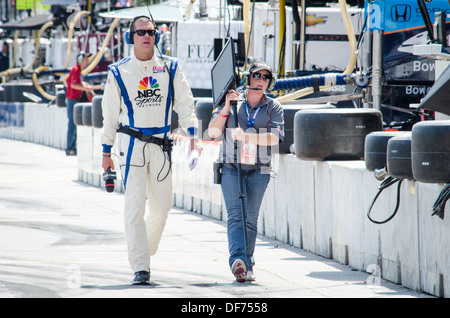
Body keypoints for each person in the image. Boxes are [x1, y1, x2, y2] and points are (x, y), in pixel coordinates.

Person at [100, 15, 202, 285]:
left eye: (151, 32)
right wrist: (105, 153)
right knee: (133, 207)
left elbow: (186, 105)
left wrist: (194, 137)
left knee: (162, 206)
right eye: (141, 32)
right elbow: (109, 117)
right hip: (130, 147)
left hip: (162, 147)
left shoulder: (171, 67)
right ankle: (140, 267)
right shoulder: (117, 72)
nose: (147, 36)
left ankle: (144, 248)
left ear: (156, 36)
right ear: (130, 37)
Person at [208, 61, 284, 282]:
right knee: (235, 216)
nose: (261, 81)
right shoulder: (231, 101)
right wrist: (225, 107)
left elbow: (274, 138)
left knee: (250, 218)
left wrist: (247, 136)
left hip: (259, 170)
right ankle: (237, 260)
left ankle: (248, 262)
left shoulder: (274, 107)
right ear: (247, 78)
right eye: (257, 76)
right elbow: (213, 132)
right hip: (232, 168)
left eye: (265, 77)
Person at [64, 52, 96, 155]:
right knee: (72, 124)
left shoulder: (77, 70)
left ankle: (72, 147)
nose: (87, 61)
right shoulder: (76, 69)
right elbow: (73, 85)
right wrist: (84, 88)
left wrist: (84, 85)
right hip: (72, 99)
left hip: (73, 99)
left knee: (73, 124)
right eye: (86, 59)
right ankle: (70, 147)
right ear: (81, 60)